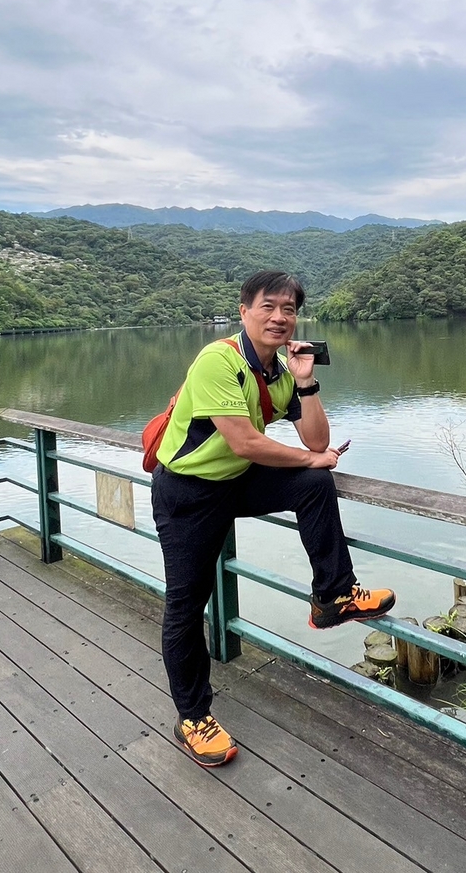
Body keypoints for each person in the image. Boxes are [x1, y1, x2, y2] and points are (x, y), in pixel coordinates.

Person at [151, 270, 396, 768]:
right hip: (188, 493)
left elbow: (316, 442)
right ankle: (193, 716)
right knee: (187, 604)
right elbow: (245, 442)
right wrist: (312, 458)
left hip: (235, 480)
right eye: (268, 306)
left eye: (289, 309)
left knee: (315, 483)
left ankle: (333, 596)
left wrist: (306, 381)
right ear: (244, 311)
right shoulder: (218, 360)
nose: (280, 317)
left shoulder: (280, 372)